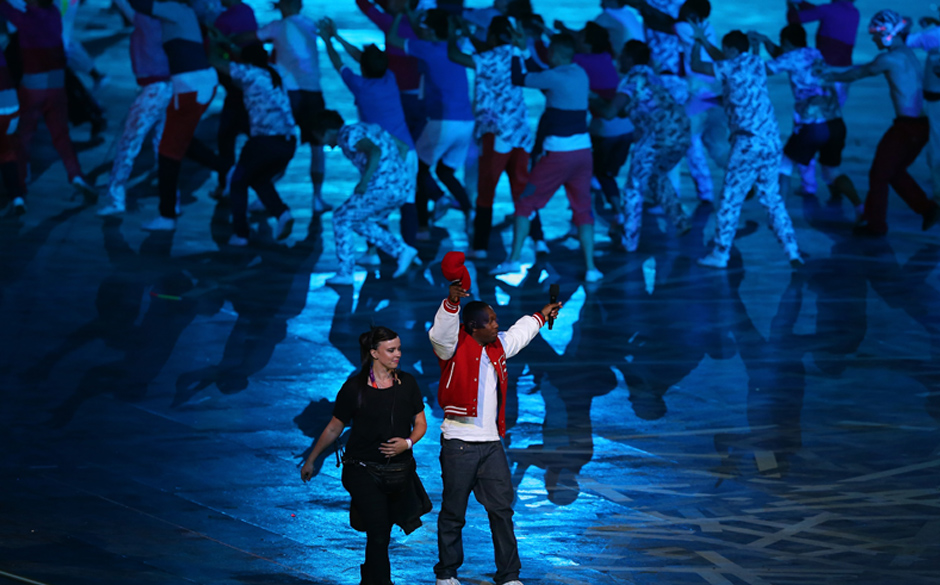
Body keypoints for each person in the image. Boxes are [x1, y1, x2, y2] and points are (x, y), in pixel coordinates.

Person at [429, 279, 561, 585]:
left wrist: (542, 314)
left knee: (502, 511)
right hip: (459, 445)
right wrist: (451, 304)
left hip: (491, 446)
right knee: (453, 512)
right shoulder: (451, 348)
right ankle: (446, 574)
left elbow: (519, 333)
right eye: (490, 321)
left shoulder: (497, 346)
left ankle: (509, 575)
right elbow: (440, 332)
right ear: (473, 327)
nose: (496, 324)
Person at [301, 326, 429, 585]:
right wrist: (312, 459)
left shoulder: (408, 384)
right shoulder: (354, 389)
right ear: (374, 353)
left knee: (380, 533)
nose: (398, 354)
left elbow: (420, 423)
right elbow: (335, 427)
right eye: (391, 350)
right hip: (362, 470)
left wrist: (407, 443)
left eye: (399, 349)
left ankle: (369, 577)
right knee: (378, 530)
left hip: (397, 471)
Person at [492, 31, 603, 282]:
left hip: (558, 154)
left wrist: (515, 51)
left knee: (525, 203)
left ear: (554, 54)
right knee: (583, 210)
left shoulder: (553, 77)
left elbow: (519, 78)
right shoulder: (579, 74)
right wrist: (525, 51)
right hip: (583, 153)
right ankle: (591, 268)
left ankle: (513, 260)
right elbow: (541, 74)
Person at [689, 27, 802, 268]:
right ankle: (792, 250)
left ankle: (720, 254)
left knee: (730, 200)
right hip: (771, 143)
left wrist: (697, 42)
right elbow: (729, 71)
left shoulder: (728, 66)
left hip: (747, 143)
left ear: (730, 49)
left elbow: (697, 65)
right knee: (772, 200)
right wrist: (708, 42)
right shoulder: (756, 63)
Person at [824, 9, 940, 235]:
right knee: (893, 172)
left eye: (875, 34)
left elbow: (858, 73)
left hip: (906, 127)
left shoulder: (889, 59)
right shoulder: (906, 54)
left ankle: (876, 225)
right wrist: (833, 72)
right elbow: (861, 69)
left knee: (879, 174)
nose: (873, 39)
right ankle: (927, 210)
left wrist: (828, 76)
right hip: (920, 126)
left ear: (886, 33)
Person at [319, 17, 419, 247]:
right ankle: (409, 250)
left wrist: (330, 39)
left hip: (383, 154)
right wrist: (337, 36)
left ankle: (377, 252)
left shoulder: (360, 86)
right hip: (408, 150)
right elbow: (363, 59)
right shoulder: (390, 78)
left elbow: (338, 63)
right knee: (408, 202)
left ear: (363, 68)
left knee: (374, 202)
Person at [447, 15, 534, 258]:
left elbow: (455, 56)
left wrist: (452, 35)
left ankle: (480, 247)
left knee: (486, 191)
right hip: (521, 133)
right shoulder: (518, 54)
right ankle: (539, 241)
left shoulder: (488, 58)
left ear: (492, 36)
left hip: (496, 134)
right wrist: (470, 36)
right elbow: (490, 52)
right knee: (522, 191)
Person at [752, 24, 862, 217]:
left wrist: (755, 46)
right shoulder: (814, 53)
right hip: (835, 122)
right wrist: (766, 42)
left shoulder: (790, 58)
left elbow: (758, 70)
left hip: (814, 126)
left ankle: (778, 215)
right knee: (831, 172)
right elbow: (784, 57)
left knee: (784, 165)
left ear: (786, 42)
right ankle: (860, 208)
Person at [128, 0, 219, 232]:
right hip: (195, 84)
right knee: (182, 142)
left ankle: (167, 216)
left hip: (191, 86)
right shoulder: (182, 11)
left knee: (168, 151)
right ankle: (229, 170)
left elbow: (139, 4)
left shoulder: (174, 10)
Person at [593, 40, 691, 252]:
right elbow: (627, 109)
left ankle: (629, 241)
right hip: (681, 134)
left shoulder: (632, 79)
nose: (618, 59)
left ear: (629, 58)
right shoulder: (653, 77)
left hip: (656, 137)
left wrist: (590, 97)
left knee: (633, 188)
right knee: (656, 176)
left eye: (621, 55)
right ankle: (680, 220)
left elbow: (610, 113)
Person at [0, 0, 97, 203]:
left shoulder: (25, 19)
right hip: (57, 85)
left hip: (33, 87)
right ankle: (76, 174)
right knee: (62, 137)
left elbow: (5, 8)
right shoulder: (53, 14)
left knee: (23, 138)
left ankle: (19, 187)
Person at [388, 8, 475, 233]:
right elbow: (424, 35)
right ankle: (469, 211)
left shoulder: (426, 49)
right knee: (445, 172)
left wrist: (398, 15)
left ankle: (423, 226)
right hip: (466, 122)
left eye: (425, 28)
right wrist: (412, 17)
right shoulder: (456, 46)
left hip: (442, 121)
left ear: (432, 31)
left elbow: (392, 39)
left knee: (417, 169)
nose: (422, 31)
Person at [312, 110, 420, 286]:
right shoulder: (368, 128)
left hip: (382, 188)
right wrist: (394, 172)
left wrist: (365, 182)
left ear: (327, 131)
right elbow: (402, 147)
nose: (321, 143)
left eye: (319, 137)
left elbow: (374, 151)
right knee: (356, 219)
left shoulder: (347, 135)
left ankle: (346, 272)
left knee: (341, 218)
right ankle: (402, 250)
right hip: (401, 186)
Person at [208, 42, 297, 246]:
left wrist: (212, 42)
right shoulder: (274, 72)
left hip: (265, 141)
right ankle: (282, 214)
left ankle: (241, 234)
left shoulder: (248, 73)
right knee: (259, 179)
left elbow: (215, 61)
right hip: (288, 142)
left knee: (238, 182)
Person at [254, 0, 331, 214]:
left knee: (280, 142)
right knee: (318, 146)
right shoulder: (310, 24)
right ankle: (317, 198)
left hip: (290, 93)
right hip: (313, 91)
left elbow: (251, 37)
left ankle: (264, 194)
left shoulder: (278, 26)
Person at [906, 15, 940, 200]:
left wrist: (903, 25)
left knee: (936, 149)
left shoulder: (934, 35)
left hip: (936, 102)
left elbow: (903, 41)